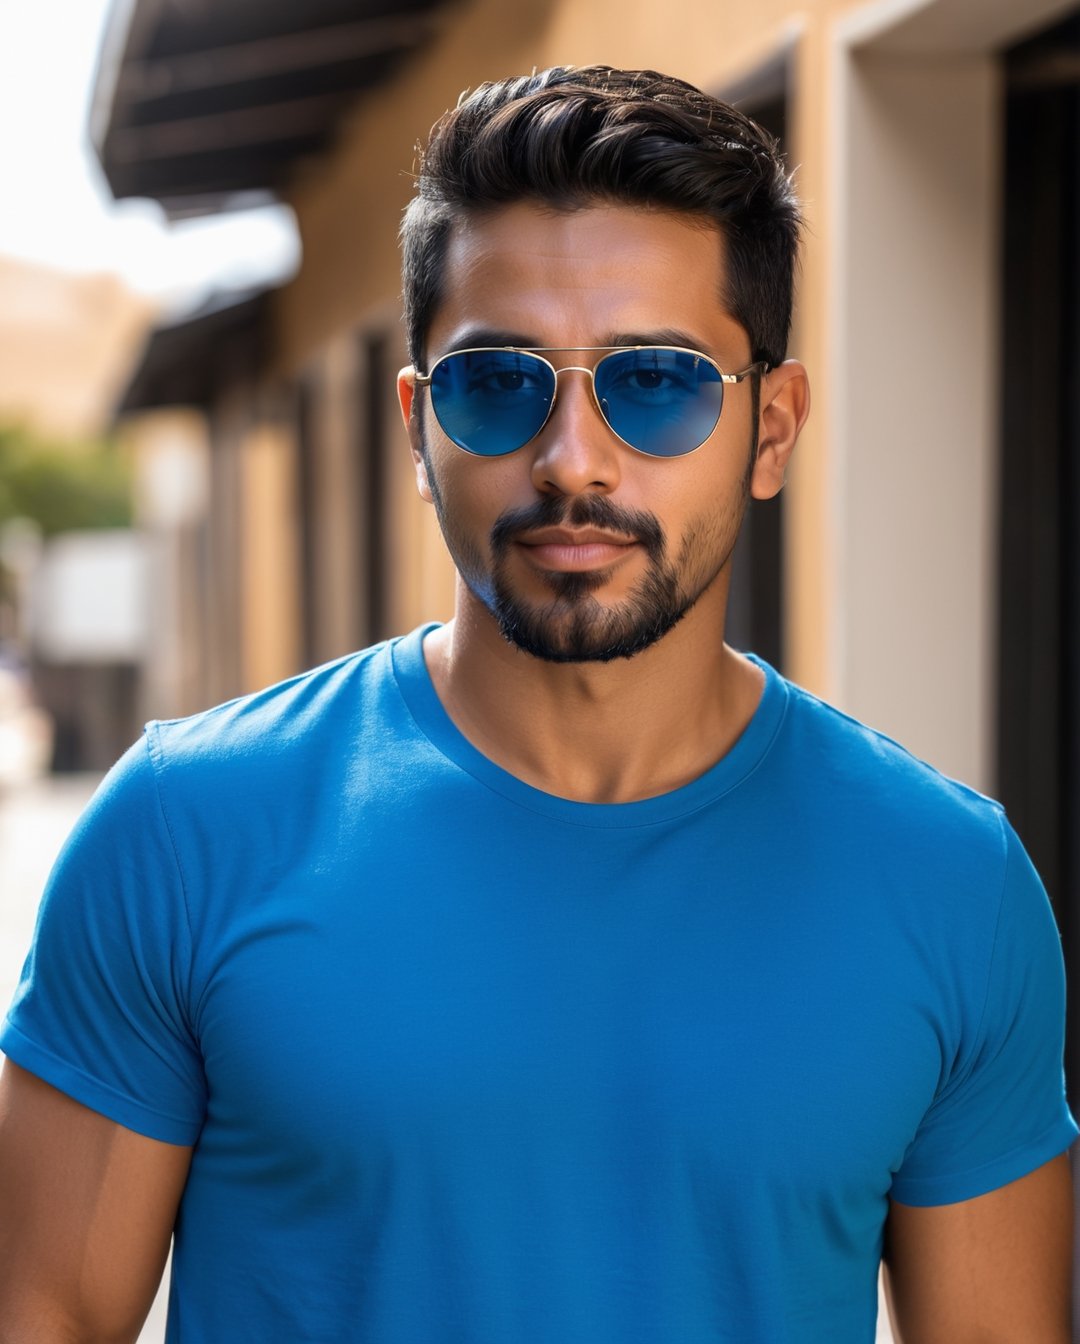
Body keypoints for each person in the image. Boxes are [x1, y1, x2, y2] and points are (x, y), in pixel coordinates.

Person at [0, 64, 1074, 1344]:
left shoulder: (947, 885)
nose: (572, 458)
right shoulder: (188, 831)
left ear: (773, 428)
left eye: (659, 381)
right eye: (499, 382)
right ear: (416, 425)